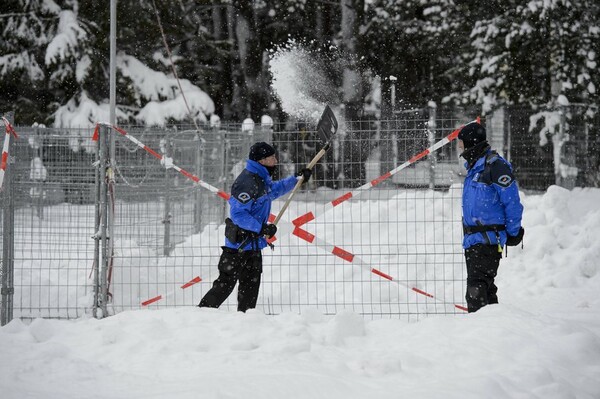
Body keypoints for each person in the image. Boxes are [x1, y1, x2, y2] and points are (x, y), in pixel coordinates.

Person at [199, 142, 312, 312]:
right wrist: (261, 228)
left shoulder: (261, 178)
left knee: (250, 291)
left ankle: (247, 321)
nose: (276, 160)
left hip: (253, 247)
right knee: (224, 286)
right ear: (262, 160)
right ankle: (200, 315)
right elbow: (238, 214)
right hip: (238, 248)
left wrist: (296, 179)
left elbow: (273, 190)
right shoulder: (247, 182)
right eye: (272, 157)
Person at [458, 121, 524, 313]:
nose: (460, 149)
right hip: (473, 240)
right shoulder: (475, 168)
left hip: (488, 240)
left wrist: (513, 233)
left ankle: (479, 335)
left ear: (472, 143)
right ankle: (494, 329)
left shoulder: (495, 167)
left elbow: (512, 202)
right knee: (485, 289)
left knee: (476, 292)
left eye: (462, 144)